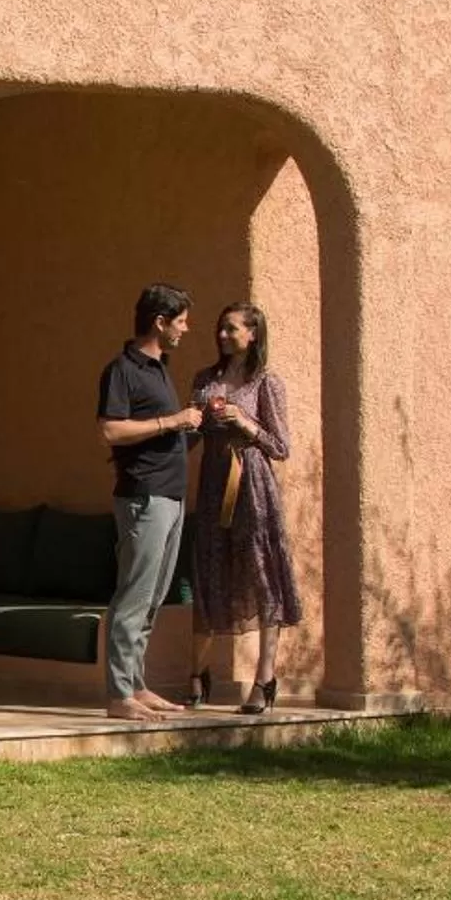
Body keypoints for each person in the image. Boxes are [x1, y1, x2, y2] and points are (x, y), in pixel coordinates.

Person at [96, 283, 204, 720]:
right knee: (134, 597)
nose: (186, 329)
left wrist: (194, 425)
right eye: (180, 321)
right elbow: (111, 431)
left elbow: (161, 435)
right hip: (143, 499)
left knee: (154, 598)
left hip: (171, 497)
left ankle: (136, 686)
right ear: (159, 322)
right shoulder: (121, 370)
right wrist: (171, 421)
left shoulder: (160, 369)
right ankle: (118, 695)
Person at [189, 302, 303, 715]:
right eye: (220, 328)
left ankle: (265, 678)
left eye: (232, 329)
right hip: (213, 484)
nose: (223, 335)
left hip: (252, 485)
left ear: (252, 334)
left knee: (261, 574)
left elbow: (281, 447)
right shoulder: (205, 379)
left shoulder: (265, 382)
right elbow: (193, 434)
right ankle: (198, 672)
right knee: (209, 569)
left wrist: (245, 423)